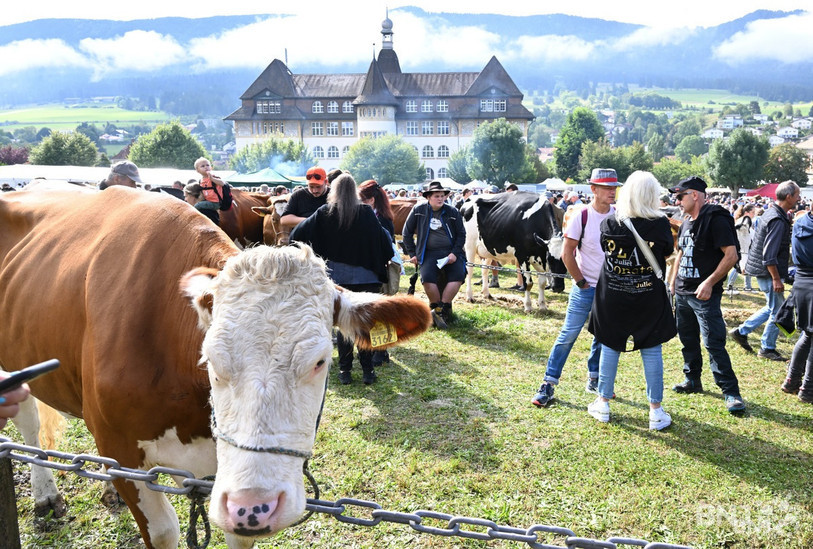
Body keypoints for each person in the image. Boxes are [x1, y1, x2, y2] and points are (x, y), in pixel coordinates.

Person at [586, 171, 676, 429]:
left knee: (610, 344)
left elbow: (606, 249)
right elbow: (667, 251)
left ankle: (602, 403)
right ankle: (655, 411)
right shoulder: (660, 224)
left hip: (613, 294)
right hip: (647, 294)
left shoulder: (611, 222)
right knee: (652, 347)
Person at [290, 174, 393, 385]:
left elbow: (295, 236)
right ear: (355, 191)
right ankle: (368, 371)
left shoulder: (323, 213)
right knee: (364, 324)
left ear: (333, 191)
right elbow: (386, 244)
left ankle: (344, 371)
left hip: (336, 280)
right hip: (367, 279)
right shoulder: (366, 212)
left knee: (343, 325)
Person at [531, 168, 622, 407]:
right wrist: (581, 282)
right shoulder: (582, 216)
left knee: (603, 336)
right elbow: (567, 253)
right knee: (568, 335)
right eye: (607, 188)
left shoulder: (619, 216)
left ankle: (595, 379)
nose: (612, 191)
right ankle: (548, 383)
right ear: (593, 189)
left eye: (614, 187)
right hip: (585, 288)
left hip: (610, 290)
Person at [668, 176, 746, 415]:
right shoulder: (686, 221)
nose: (677, 201)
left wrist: (710, 282)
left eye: (680, 196)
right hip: (682, 291)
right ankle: (692, 379)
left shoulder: (716, 218)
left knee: (713, 342)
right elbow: (680, 253)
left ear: (694, 195)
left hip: (704, 295)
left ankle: (730, 391)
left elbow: (731, 255)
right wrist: (672, 283)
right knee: (687, 339)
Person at [729, 181, 800, 361]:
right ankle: (767, 348)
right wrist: (776, 278)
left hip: (763, 270)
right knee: (778, 310)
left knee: (772, 307)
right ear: (789, 196)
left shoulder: (772, 212)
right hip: (768, 271)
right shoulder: (777, 218)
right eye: (797, 195)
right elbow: (769, 253)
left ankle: (741, 331)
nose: (799, 198)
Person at [402, 180, 467, 329]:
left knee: (458, 275)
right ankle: (437, 310)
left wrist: (455, 253)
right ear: (428, 197)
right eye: (437, 196)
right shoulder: (418, 210)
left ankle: (440, 311)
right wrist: (412, 253)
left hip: (450, 252)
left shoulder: (452, 212)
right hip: (428, 252)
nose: (440, 198)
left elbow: (461, 235)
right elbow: (407, 233)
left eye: (442, 195)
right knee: (427, 279)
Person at [359, 179, 398, 368]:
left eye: (362, 199)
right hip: (370, 266)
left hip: (378, 268)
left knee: (380, 310)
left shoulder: (382, 219)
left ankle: (381, 349)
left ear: (371, 200)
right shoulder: (380, 216)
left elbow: (387, 245)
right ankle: (379, 350)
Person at [782, 208, 813, 402]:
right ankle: (808, 388)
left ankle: (792, 381)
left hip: (801, 283)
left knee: (808, 334)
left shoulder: (800, 222)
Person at [725, 204, 755, 292]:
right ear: (746, 212)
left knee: (746, 266)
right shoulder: (745, 219)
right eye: (752, 212)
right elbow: (742, 226)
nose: (754, 214)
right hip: (742, 248)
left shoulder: (741, 219)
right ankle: (730, 287)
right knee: (738, 268)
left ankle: (748, 287)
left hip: (745, 247)